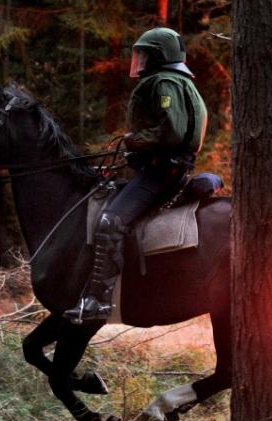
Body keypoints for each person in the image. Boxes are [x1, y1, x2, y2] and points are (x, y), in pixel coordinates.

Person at [64, 27, 208, 324]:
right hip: (162, 168)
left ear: (158, 56)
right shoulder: (182, 81)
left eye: (144, 54)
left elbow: (172, 130)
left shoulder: (163, 82)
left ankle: (98, 301)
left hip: (159, 173)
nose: (138, 61)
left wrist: (134, 139)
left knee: (110, 222)